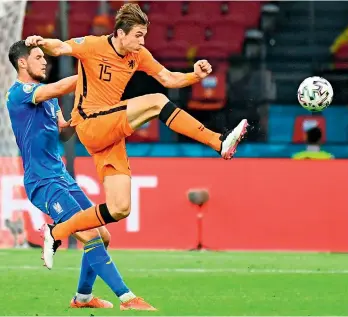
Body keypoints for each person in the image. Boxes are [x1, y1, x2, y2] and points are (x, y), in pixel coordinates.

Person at [25, 3, 249, 268]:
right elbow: (61, 47)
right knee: (155, 101)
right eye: (138, 35)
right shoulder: (93, 45)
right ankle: (218, 142)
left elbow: (168, 78)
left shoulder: (138, 55)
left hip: (110, 134)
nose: (143, 41)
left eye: (144, 35)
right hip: (90, 123)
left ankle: (56, 233)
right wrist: (39, 41)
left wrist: (194, 76)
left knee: (120, 208)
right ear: (120, 33)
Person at [6, 40, 156, 311]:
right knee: (89, 235)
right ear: (22, 62)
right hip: (43, 182)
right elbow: (60, 86)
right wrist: (92, 71)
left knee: (103, 235)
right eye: (39, 57)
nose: (45, 61)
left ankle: (82, 298)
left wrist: (78, 117)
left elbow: (62, 131)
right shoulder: (19, 93)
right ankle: (127, 298)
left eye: (45, 57)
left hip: (62, 178)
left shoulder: (49, 99)